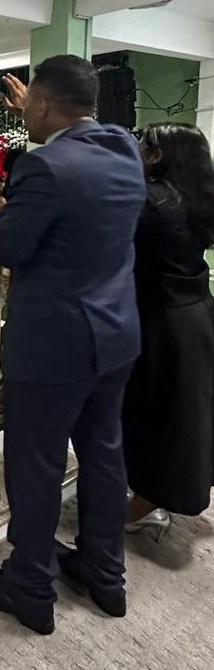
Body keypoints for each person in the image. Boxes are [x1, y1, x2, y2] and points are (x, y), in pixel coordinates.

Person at [0, 56, 147, 635]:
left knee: (35, 465)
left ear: (41, 104)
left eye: (29, 106)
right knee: (104, 456)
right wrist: (38, 109)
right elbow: (71, 142)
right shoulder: (124, 148)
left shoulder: (44, 166)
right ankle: (104, 575)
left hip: (56, 346)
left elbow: (8, 245)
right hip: (115, 337)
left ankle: (30, 587)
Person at [122, 123, 214, 535]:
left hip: (165, 322)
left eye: (142, 146)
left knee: (157, 416)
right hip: (196, 313)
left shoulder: (152, 200)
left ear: (157, 155)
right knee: (184, 414)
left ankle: (147, 501)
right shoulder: (197, 198)